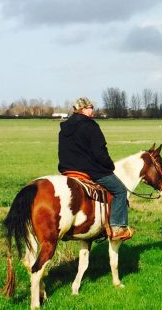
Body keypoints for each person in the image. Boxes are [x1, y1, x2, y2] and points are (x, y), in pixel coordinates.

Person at [58, 97, 133, 241]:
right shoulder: (91, 126)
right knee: (120, 191)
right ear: (83, 109)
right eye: (90, 107)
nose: (93, 110)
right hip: (90, 171)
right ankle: (117, 228)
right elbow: (100, 153)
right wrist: (109, 166)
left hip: (67, 171)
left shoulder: (64, 128)